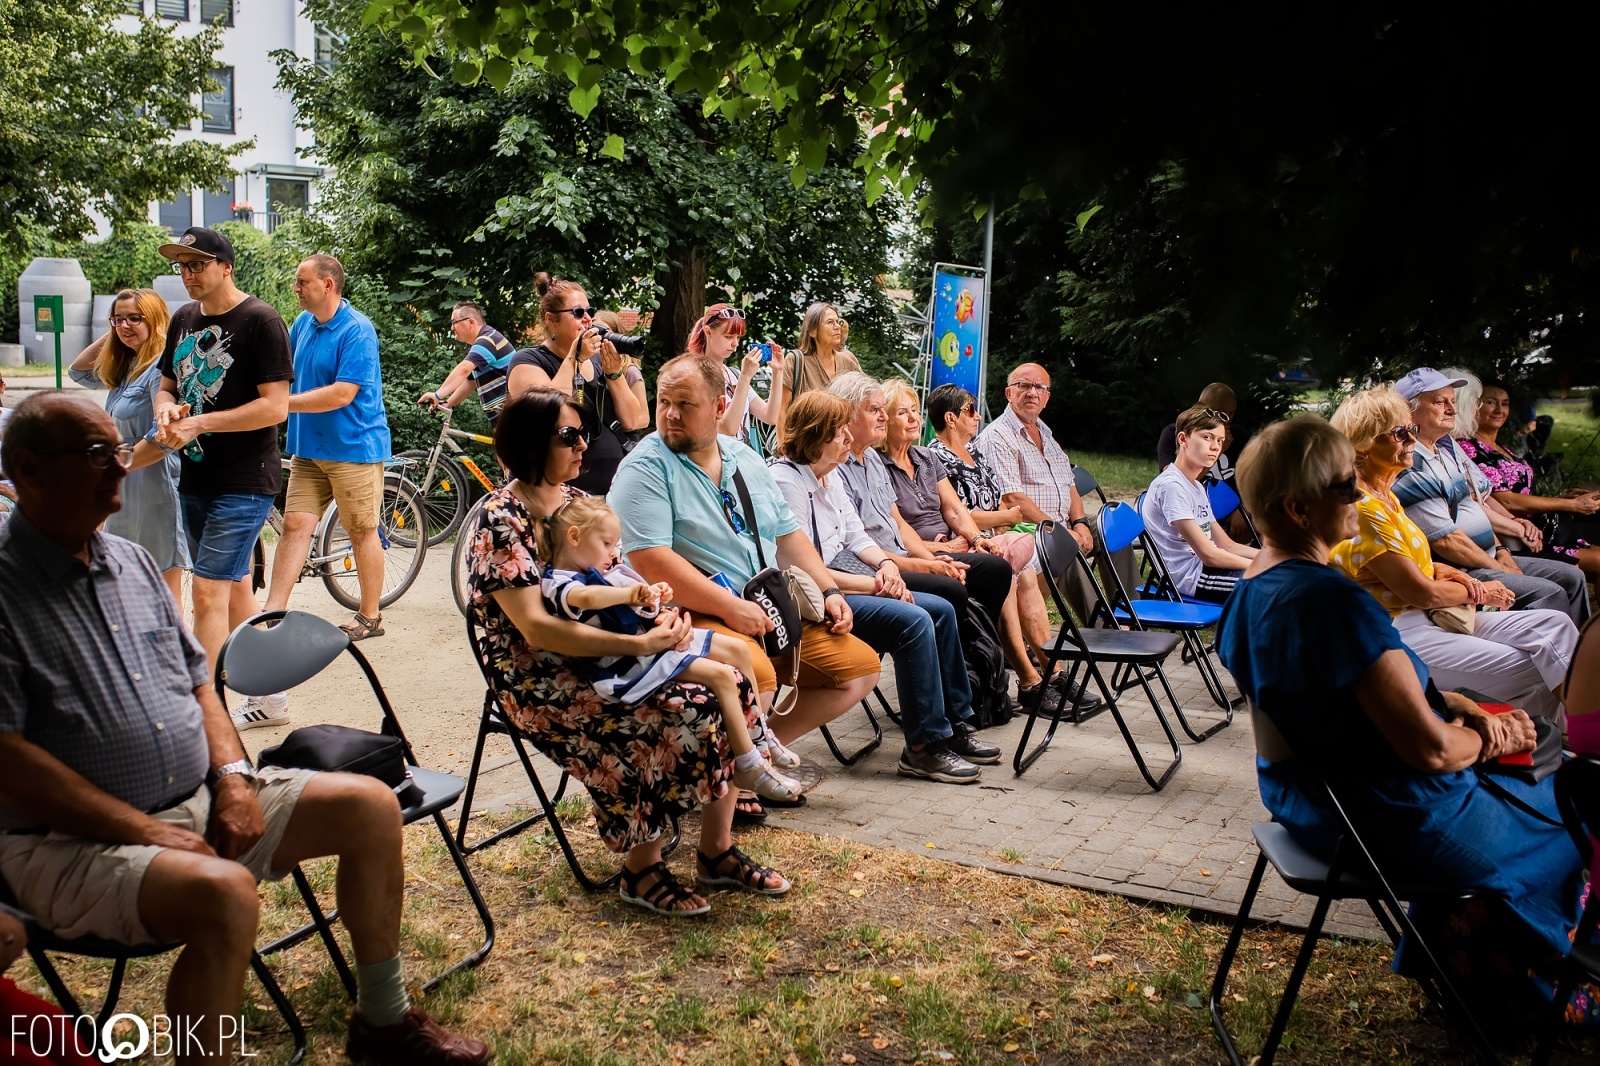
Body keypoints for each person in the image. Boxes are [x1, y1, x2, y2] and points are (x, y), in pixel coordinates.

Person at [0, 393, 490, 1065]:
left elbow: (199, 684)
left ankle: (383, 1021)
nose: (120, 468)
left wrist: (233, 780)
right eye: (95, 455)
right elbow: (10, 763)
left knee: (370, 807)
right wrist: (145, 831)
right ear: (26, 469)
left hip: (196, 804)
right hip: (67, 846)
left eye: (118, 451)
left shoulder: (132, 563)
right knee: (225, 896)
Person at [1218, 412, 1593, 1027]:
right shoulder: (1335, 602)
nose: (1359, 494)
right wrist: (1487, 734)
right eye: (1345, 486)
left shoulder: (1250, 595)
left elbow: (1330, 703)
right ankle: (1536, 988)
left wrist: (1455, 709)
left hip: (1310, 801)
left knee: (1533, 766)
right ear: (1297, 509)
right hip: (1382, 814)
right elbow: (1432, 753)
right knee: (1568, 810)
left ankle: (1466, 970)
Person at [467, 387, 793, 915]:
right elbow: (537, 631)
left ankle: (716, 852)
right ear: (529, 444)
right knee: (681, 710)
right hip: (542, 675)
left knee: (727, 678)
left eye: (586, 433)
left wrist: (661, 617)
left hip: (617, 651)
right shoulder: (501, 519)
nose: (583, 447)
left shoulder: (578, 504)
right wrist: (640, 642)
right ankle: (640, 872)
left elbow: (622, 580)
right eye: (569, 436)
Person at [609, 354, 881, 748]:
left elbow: (788, 536)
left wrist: (830, 591)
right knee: (758, 676)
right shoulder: (644, 468)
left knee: (859, 669)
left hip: (765, 603)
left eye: (685, 404)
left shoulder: (745, 458)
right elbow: (650, 560)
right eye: (663, 402)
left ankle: (761, 755)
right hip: (697, 611)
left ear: (720, 406)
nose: (670, 414)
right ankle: (737, 783)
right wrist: (728, 607)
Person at [770, 392, 999, 783]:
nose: (847, 437)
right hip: (812, 597)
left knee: (940, 610)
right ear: (816, 435)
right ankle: (923, 748)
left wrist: (888, 566)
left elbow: (858, 537)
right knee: (914, 620)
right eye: (838, 431)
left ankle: (956, 723)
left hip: (844, 584)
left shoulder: (829, 474)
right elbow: (805, 566)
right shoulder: (786, 480)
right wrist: (877, 583)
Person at [832, 372, 1083, 714]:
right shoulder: (856, 465)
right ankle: (986, 688)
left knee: (997, 570)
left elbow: (926, 517)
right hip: (885, 564)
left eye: (908, 410)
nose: (893, 417)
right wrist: (932, 558)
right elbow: (863, 542)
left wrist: (973, 541)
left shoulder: (901, 459)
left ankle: (989, 674)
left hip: (923, 551)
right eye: (885, 410)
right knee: (964, 586)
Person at [533, 495, 803, 803]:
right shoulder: (560, 582)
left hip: (653, 648)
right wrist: (628, 595)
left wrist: (653, 599)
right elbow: (589, 599)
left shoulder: (606, 572)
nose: (613, 553)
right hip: (627, 664)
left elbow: (639, 607)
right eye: (607, 544)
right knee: (722, 677)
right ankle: (749, 764)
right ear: (574, 537)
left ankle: (760, 733)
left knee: (738, 651)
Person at [1328, 387, 1576, 720]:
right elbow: (1420, 592)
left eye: (1411, 430)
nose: (1412, 439)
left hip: (1429, 617)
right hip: (1393, 634)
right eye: (1400, 432)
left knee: (1554, 624)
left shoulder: (1386, 496)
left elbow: (1419, 569)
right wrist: (1483, 589)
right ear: (1363, 444)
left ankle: (1554, 736)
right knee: (1538, 667)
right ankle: (1572, 733)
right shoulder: (1364, 506)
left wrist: (1451, 574)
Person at [235, 256, 393, 732]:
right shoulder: (303, 323)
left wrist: (279, 406)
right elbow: (283, 374)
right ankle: (274, 612)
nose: (295, 288)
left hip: (354, 449)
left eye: (302, 282)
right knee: (296, 526)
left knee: (361, 530)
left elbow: (342, 393)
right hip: (309, 448)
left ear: (328, 284)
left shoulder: (357, 330)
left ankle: (370, 614)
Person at [152, 226, 292, 683]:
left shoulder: (260, 320)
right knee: (232, 588)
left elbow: (275, 406)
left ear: (225, 266)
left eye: (197, 264)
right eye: (182, 266)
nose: (187, 273)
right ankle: (270, 688)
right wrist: (167, 409)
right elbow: (167, 383)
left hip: (245, 480)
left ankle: (205, 703)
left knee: (207, 592)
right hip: (194, 476)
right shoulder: (184, 318)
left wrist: (200, 422)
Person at [1391, 367, 1588, 623]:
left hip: (1490, 555)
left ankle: (1582, 654)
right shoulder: (1412, 463)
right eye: (1440, 402)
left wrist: (1503, 552)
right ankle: (1561, 657)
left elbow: (1474, 508)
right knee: (1550, 592)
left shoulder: (1441, 450)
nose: (1453, 409)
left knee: (1572, 577)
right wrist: (1501, 567)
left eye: (1453, 401)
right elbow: (1446, 542)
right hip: (1463, 569)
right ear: (1409, 409)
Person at [924, 383, 1060, 705]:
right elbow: (957, 513)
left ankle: (1052, 672)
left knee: (1023, 573)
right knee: (1012, 573)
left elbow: (996, 501)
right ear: (951, 418)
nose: (977, 416)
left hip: (991, 540)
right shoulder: (936, 457)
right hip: (962, 544)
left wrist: (1004, 519)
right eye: (970, 410)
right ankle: (1029, 680)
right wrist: (1005, 520)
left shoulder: (976, 454)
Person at [67, 287, 190, 604]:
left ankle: (173, 654)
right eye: (117, 319)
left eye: (135, 318)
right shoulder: (127, 365)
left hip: (155, 496)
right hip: (123, 496)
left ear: (155, 320)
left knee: (160, 593)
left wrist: (116, 466)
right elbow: (78, 371)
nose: (124, 325)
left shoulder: (160, 370)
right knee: (128, 591)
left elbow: (163, 437)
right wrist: (118, 332)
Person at [507, 273, 648, 494]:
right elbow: (546, 415)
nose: (587, 319)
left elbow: (630, 421)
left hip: (610, 495)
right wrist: (575, 359)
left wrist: (614, 374)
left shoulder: (598, 360)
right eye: (578, 312)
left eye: (589, 312)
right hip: (555, 495)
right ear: (551, 320)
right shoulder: (528, 361)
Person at [1454, 374, 1600, 580]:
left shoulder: (1502, 448)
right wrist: (1571, 505)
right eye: (1490, 402)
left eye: (1505, 404)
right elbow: (1506, 500)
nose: (1499, 410)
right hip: (1524, 537)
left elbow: (1521, 491)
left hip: (1544, 529)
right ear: (1474, 406)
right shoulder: (1469, 449)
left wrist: (1563, 499)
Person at [1141, 405, 1258, 602]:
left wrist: (1270, 557)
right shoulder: (1172, 486)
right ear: (1183, 439)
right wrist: (1263, 565)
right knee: (1277, 586)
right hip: (1192, 577)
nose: (1215, 446)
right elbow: (1209, 555)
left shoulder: (1195, 486)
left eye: (1219, 440)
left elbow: (1226, 545)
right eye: (1207, 437)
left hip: (1207, 569)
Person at [687, 303, 788, 448]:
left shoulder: (733, 374)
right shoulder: (695, 375)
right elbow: (728, 428)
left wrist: (778, 372)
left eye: (738, 337)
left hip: (739, 461)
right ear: (708, 332)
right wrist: (745, 377)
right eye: (728, 336)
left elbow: (769, 416)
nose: (735, 343)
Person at [418, 300, 516, 427]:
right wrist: (446, 403)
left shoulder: (486, 340)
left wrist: (437, 395)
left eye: (454, 322)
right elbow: (470, 382)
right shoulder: (482, 342)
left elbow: (464, 369)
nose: (452, 327)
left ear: (470, 322)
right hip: (506, 416)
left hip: (514, 416)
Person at [786, 302, 860, 399]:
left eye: (837, 322)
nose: (837, 326)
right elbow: (781, 411)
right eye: (830, 322)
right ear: (812, 331)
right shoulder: (795, 361)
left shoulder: (848, 363)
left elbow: (865, 402)